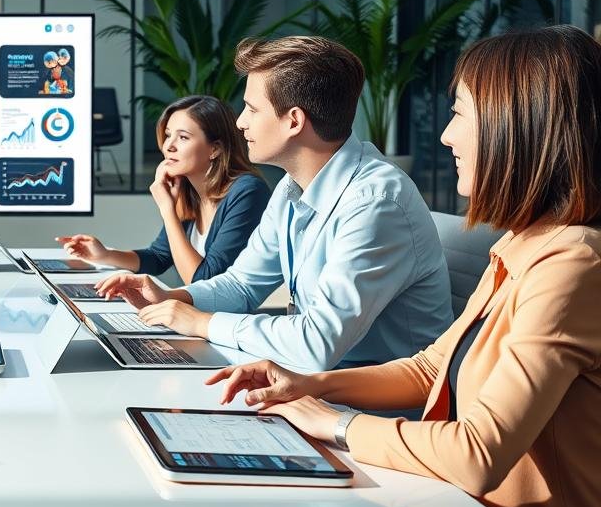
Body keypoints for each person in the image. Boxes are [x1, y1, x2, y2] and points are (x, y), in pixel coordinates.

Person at [209, 26, 601, 507]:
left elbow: (476, 455)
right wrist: (310, 386)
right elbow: (431, 366)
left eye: (460, 114)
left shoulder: (572, 263)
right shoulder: (525, 243)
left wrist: (333, 421)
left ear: (520, 125)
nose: (446, 137)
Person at [97, 36, 452, 372]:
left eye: (252, 109)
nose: (240, 122)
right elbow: (242, 285)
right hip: (313, 386)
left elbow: (317, 344)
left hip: (371, 413)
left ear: (293, 121)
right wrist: (174, 297)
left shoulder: (375, 204)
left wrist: (202, 323)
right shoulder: (290, 188)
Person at [57, 95, 270, 284]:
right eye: (168, 135)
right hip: (193, 316)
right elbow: (159, 257)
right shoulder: (188, 190)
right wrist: (104, 255)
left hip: (221, 322)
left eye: (183, 137)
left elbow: (205, 280)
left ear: (214, 149)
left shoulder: (247, 192)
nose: (169, 146)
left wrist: (168, 210)